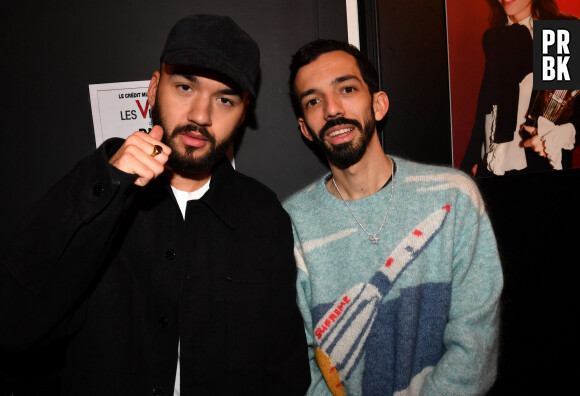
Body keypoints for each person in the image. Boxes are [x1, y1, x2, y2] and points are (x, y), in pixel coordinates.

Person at [0, 14, 310, 395]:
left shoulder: (263, 216)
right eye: (184, 87)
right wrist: (105, 182)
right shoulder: (98, 192)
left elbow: (285, 371)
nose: (200, 115)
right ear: (152, 88)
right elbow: (15, 324)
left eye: (224, 99)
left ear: (243, 112)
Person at [283, 39, 503, 395]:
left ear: (379, 104)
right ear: (306, 128)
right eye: (313, 101)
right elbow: (298, 364)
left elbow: (475, 346)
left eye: (347, 89)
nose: (332, 109)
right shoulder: (290, 224)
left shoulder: (455, 196)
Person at [460, 0, 579, 177]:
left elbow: (565, 109)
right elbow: (485, 109)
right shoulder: (493, 37)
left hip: (536, 170)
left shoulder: (556, 32)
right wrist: (470, 165)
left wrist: (554, 138)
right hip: (490, 169)